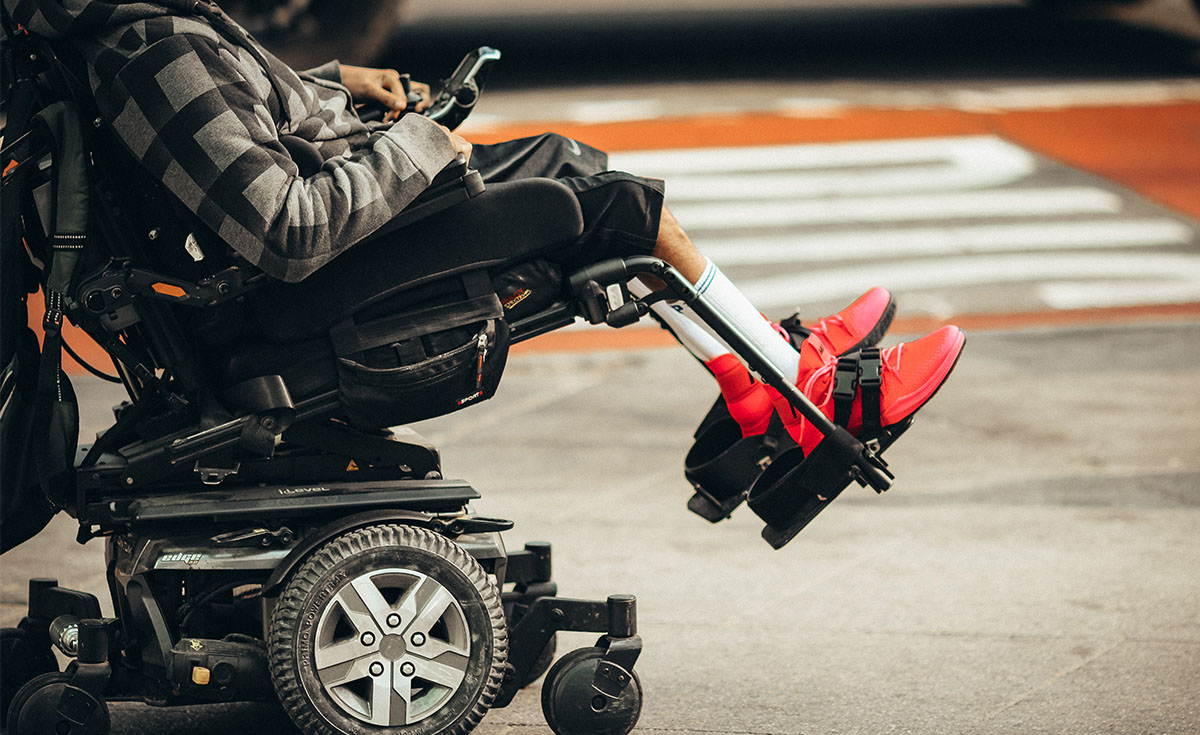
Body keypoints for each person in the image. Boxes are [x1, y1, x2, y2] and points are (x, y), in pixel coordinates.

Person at [4, 0, 964, 465]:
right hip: (309, 293)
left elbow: (240, 136)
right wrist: (422, 140)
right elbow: (287, 229)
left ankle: (764, 380)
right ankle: (801, 393)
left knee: (574, 166)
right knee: (605, 198)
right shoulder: (151, 50)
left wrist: (333, 86)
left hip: (314, 254)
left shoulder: (132, 29)